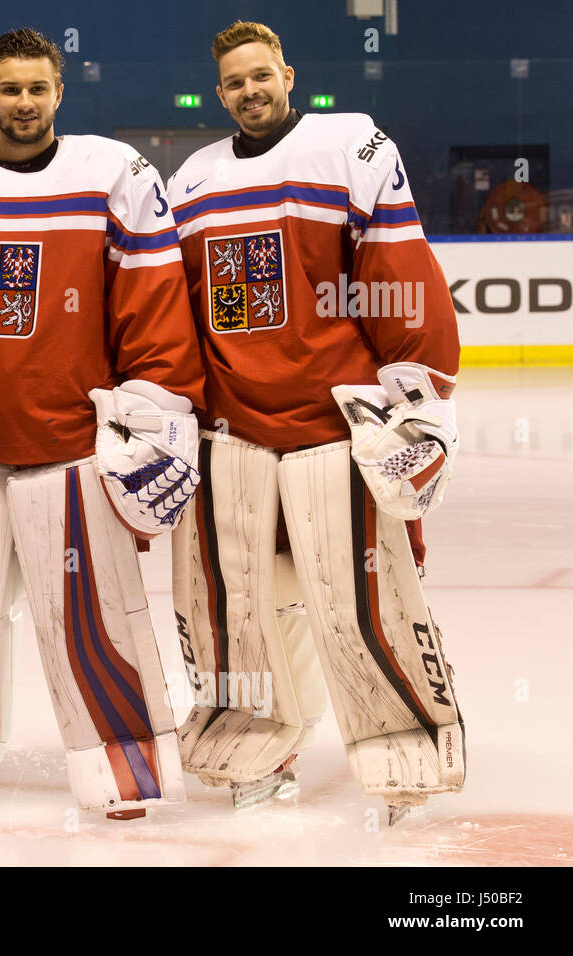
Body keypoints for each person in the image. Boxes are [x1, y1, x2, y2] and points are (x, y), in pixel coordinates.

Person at [0, 28, 205, 821]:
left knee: (94, 626)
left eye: (38, 88)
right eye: (10, 89)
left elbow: (152, 306)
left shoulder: (114, 175)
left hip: (71, 449)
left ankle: (120, 760)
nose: (24, 102)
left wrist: (153, 409)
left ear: (59, 93)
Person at [166, 20, 464, 824]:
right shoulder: (191, 183)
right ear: (218, 91)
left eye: (261, 75)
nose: (249, 90)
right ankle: (267, 741)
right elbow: (177, 313)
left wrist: (415, 400)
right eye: (234, 81)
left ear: (288, 75)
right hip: (234, 434)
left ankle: (402, 747)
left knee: (365, 600)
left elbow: (396, 275)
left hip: (337, 427)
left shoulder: (351, 148)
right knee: (249, 608)